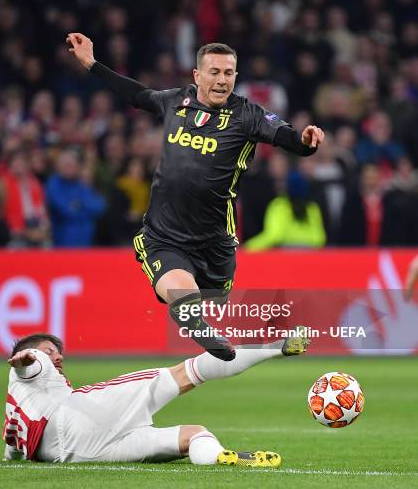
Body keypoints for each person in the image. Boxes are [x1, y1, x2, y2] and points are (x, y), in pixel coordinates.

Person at [66, 33, 324, 360]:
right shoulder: (177, 100)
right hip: (164, 235)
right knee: (184, 299)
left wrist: (305, 141)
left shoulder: (248, 115)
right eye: (214, 72)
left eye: (228, 73)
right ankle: (193, 321)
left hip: (215, 242)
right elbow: (137, 94)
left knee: (215, 304)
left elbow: (288, 136)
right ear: (197, 76)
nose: (221, 80)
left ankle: (219, 328)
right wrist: (92, 64)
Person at [2, 332, 309, 465]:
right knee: (186, 374)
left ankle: (218, 457)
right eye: (49, 350)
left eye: (58, 353)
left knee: (194, 435)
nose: (55, 358)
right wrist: (27, 358)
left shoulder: (16, 410)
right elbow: (31, 360)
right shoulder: (30, 369)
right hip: (78, 415)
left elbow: (12, 450)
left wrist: (10, 458)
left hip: (77, 455)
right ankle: (275, 347)